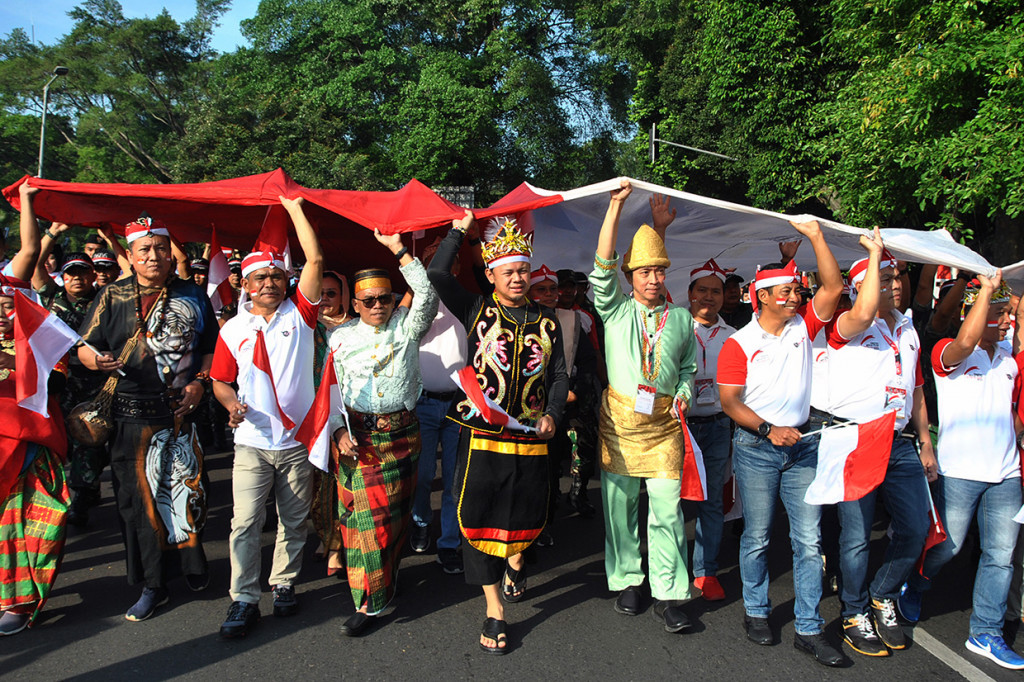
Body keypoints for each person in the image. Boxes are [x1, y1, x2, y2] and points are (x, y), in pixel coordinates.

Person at [427, 211, 567, 655]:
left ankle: (517, 558)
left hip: (529, 437)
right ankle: (495, 610)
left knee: (526, 515)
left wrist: (553, 413)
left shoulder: (548, 321)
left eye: (523, 269)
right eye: (508, 271)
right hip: (480, 433)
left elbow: (559, 374)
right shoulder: (475, 308)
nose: (518, 278)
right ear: (490, 274)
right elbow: (434, 273)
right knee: (477, 516)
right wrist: (459, 229)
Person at [716, 218, 844, 666]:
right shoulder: (740, 343)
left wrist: (815, 236)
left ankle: (808, 628)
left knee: (808, 541)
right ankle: (756, 610)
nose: (795, 297)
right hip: (757, 450)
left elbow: (833, 284)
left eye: (797, 291)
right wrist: (769, 430)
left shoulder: (803, 329)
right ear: (762, 296)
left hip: (803, 448)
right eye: (786, 292)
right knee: (757, 536)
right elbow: (730, 402)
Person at [77, 213, 218, 622]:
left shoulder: (194, 294)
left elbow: (210, 347)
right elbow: (85, 345)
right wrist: (95, 361)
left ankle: (194, 566)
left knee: (188, 495)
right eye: (144, 250)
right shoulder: (112, 295)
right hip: (129, 416)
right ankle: (153, 583)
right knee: (139, 503)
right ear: (131, 256)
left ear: (170, 253)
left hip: (181, 412)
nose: (154, 256)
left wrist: (200, 383)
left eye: (160, 248)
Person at [808, 238, 935, 658]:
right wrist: (875, 253)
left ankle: (882, 595)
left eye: (895, 277)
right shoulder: (847, 324)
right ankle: (854, 611)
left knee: (915, 528)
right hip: (854, 436)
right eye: (883, 278)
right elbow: (863, 310)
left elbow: (915, 387)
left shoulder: (908, 328)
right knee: (857, 535)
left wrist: (926, 441)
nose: (894, 284)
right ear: (862, 285)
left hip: (898, 441)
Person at [209, 196, 323, 638]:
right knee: (244, 523)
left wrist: (293, 208)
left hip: (296, 442)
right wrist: (229, 403)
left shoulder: (302, 314)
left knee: (294, 520)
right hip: (252, 443)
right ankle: (243, 598)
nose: (270, 283)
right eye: (261, 278)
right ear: (246, 285)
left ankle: (285, 583)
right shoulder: (232, 330)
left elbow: (314, 257)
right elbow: (220, 380)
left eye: (277, 276)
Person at [899, 274, 1024, 670]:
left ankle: (985, 632)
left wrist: (1011, 301)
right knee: (947, 548)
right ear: (976, 312)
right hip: (959, 471)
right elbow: (967, 341)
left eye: (1009, 315)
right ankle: (916, 583)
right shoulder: (947, 352)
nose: (1007, 322)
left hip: (1006, 472)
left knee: (1000, 555)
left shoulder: (1008, 357)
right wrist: (987, 291)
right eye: (1000, 315)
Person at [590, 181, 697, 633]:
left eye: (659, 271)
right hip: (619, 421)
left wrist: (686, 392)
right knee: (620, 505)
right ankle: (629, 578)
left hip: (664, 426)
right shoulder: (614, 310)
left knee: (668, 510)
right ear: (630, 276)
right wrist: (616, 208)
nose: (653, 279)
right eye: (644, 272)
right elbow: (601, 267)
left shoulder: (682, 319)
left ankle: (670, 591)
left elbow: (689, 367)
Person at [328, 230, 438, 637]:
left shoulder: (407, 328)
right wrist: (338, 431)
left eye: (385, 299)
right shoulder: (339, 338)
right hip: (359, 444)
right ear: (354, 304)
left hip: (403, 439)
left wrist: (398, 249)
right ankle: (369, 603)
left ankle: (387, 578)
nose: (378, 306)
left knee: (393, 522)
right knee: (365, 524)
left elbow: (425, 294)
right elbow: (331, 393)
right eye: (369, 301)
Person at [0, 183, 71, 636]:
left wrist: (27, 197)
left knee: (37, 519)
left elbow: (30, 246)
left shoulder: (14, 295)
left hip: (31, 432)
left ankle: (22, 596)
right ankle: (11, 596)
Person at [31, 247, 106, 528]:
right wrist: (53, 232)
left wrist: (110, 239)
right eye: (71, 273)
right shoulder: (52, 297)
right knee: (65, 443)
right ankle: (84, 486)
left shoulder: (103, 298)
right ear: (63, 277)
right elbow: (36, 266)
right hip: (60, 381)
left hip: (95, 381)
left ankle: (82, 496)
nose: (77, 278)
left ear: (92, 275)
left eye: (83, 272)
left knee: (90, 440)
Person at [410, 246, 468, 574]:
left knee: (454, 479)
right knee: (421, 476)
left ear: (455, 267)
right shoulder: (414, 304)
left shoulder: (466, 302)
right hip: (424, 402)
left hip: (459, 403)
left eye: (444, 261)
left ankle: (449, 543)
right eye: (430, 261)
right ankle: (420, 520)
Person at [685, 258, 737, 603]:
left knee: (712, 502)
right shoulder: (676, 329)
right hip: (681, 426)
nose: (709, 297)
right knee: (670, 501)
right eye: (702, 290)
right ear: (689, 294)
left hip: (718, 425)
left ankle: (705, 571)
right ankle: (671, 567)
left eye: (715, 291)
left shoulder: (734, 337)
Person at [310, 270, 351, 577]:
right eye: (320, 293)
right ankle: (326, 535)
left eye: (332, 294)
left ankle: (338, 545)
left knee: (343, 482)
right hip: (311, 415)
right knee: (318, 483)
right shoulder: (304, 328)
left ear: (344, 296)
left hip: (345, 416)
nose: (325, 299)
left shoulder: (356, 328)